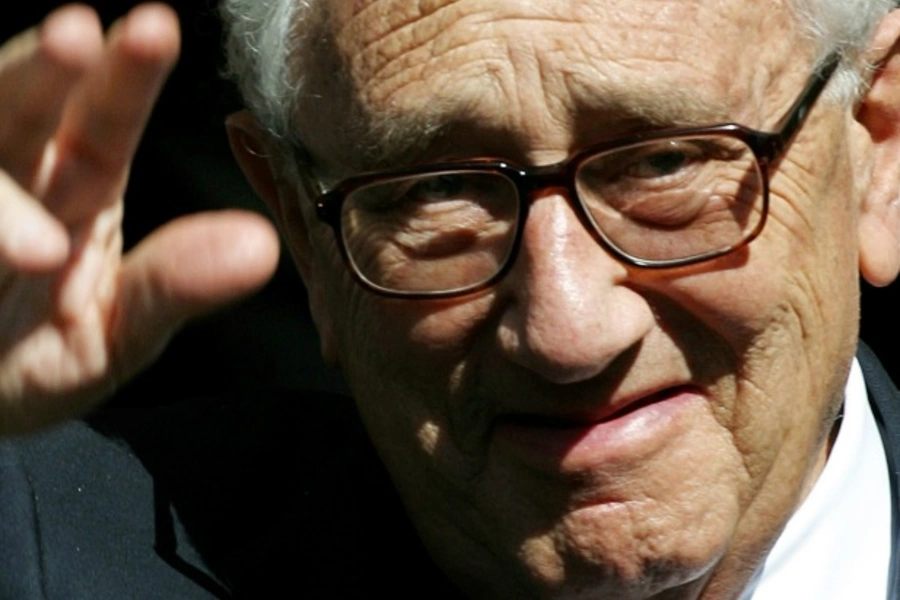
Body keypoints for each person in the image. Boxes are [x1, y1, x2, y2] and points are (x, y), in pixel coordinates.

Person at [1, 0, 900, 598]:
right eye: (436, 190)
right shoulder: (53, 554)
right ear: (301, 228)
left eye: (662, 162)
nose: (567, 331)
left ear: (878, 143)